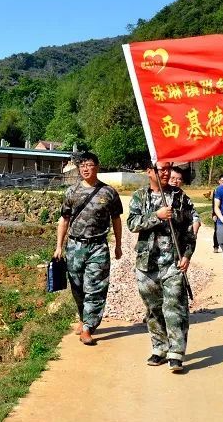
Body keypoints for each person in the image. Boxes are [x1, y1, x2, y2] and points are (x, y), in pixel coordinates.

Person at [128, 161, 197, 373]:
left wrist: (187, 255)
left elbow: (189, 229)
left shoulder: (180, 197)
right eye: (160, 169)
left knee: (175, 307)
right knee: (153, 309)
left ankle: (176, 353)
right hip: (147, 263)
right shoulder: (140, 196)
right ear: (150, 172)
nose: (165, 173)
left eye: (168, 169)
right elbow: (132, 223)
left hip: (173, 262)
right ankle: (160, 348)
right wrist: (155, 216)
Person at [53, 151, 124, 346]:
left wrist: (118, 245)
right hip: (75, 246)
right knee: (77, 285)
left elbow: (116, 219)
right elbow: (64, 219)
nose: (85, 168)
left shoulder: (109, 192)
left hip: (98, 246)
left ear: (97, 167)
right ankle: (83, 317)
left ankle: (88, 327)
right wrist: (59, 246)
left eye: (89, 164)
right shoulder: (71, 192)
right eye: (81, 165)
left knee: (96, 287)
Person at [169, 169, 201, 236]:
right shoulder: (160, 195)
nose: (175, 181)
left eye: (179, 179)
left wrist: (196, 222)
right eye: (172, 178)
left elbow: (194, 214)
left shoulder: (185, 199)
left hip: (180, 238)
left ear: (182, 181)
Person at [211, 175, 223, 253]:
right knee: (217, 230)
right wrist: (214, 214)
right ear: (219, 181)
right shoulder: (216, 190)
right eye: (222, 181)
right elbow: (213, 204)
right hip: (217, 213)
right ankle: (216, 246)